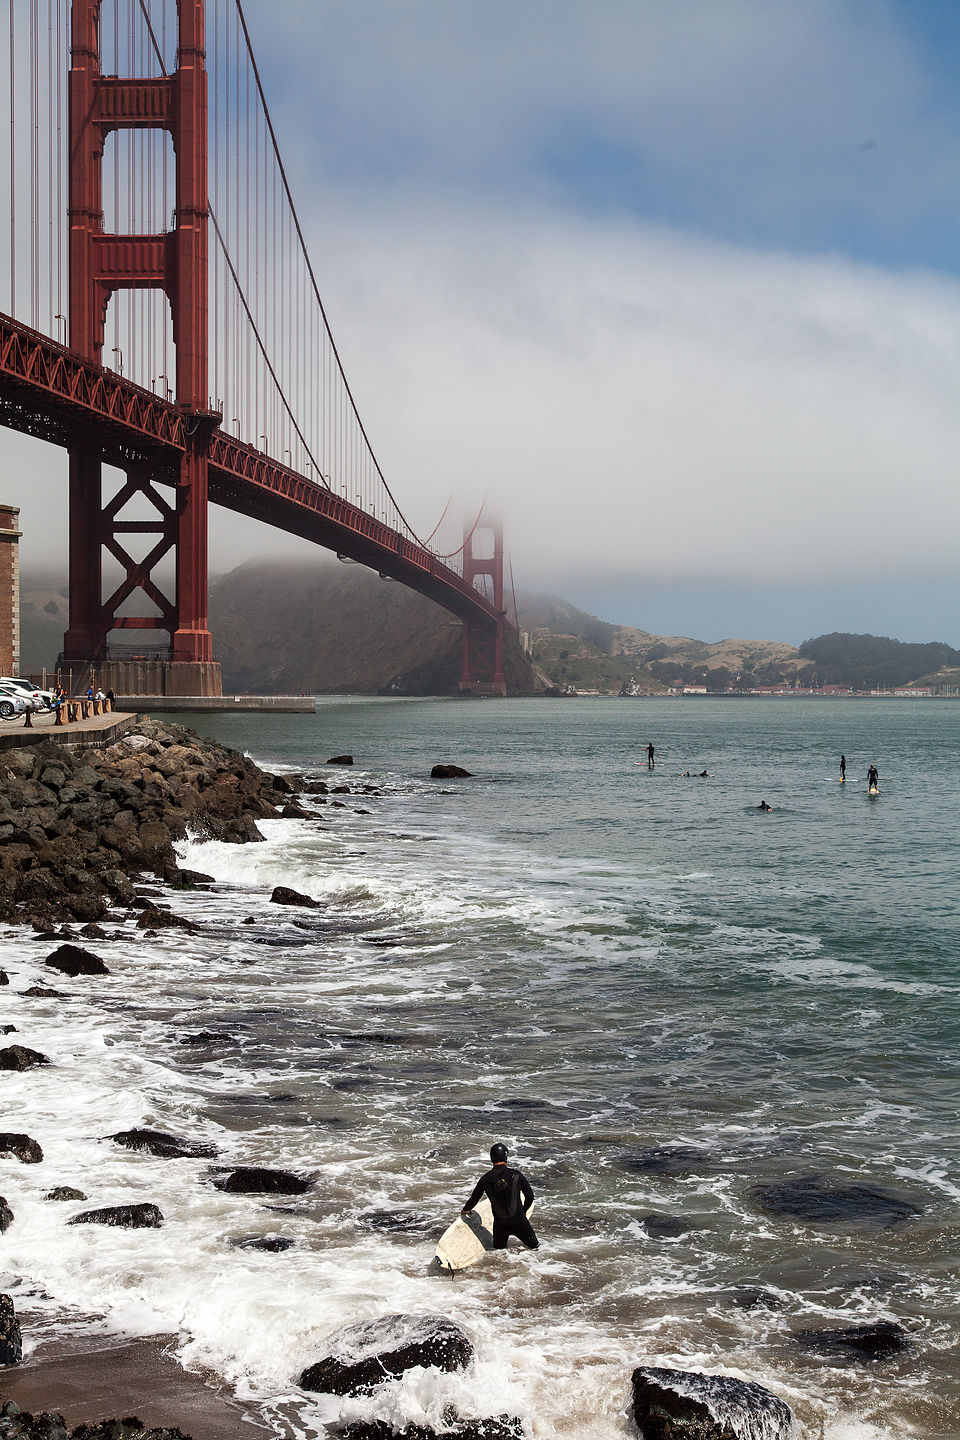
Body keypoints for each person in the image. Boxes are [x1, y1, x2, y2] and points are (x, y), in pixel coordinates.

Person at [461, 1143, 538, 1251]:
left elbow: (474, 1199)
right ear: (505, 1156)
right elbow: (530, 1196)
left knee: (498, 1252)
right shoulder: (516, 1175)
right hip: (520, 1222)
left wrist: (465, 1210)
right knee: (535, 1249)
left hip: (500, 1226)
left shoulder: (485, 1179)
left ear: (491, 1157)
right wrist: (523, 1212)